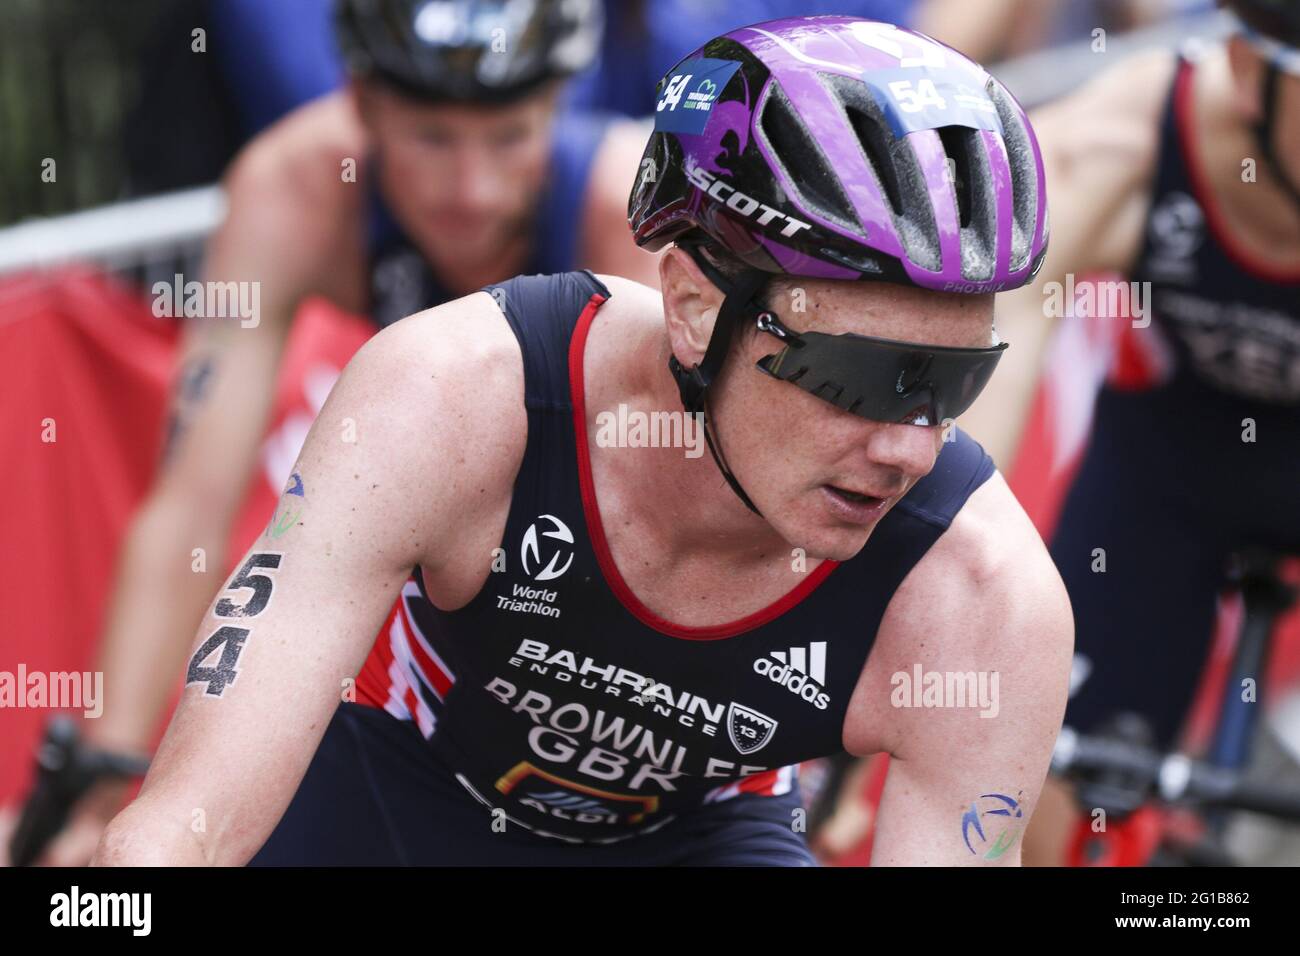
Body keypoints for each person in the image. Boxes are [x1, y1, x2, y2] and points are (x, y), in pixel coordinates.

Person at [91, 16, 1071, 867]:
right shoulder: (451, 395)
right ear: (692, 306)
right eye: (856, 377)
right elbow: (180, 831)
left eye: (949, 384)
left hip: (699, 839)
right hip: (390, 796)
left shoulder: (981, 596)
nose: (909, 448)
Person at [4, 0, 660, 867]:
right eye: (430, 137)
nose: (472, 188)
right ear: (363, 102)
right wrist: (100, 773)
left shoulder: (626, 213)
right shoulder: (295, 188)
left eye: (508, 138)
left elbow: (672, 526)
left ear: (560, 107)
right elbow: (191, 507)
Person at [957, 0, 1300, 864]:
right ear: (1251, 71)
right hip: (1170, 465)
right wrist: (954, 565)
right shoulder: (1133, 132)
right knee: (1057, 774)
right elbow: (990, 316)